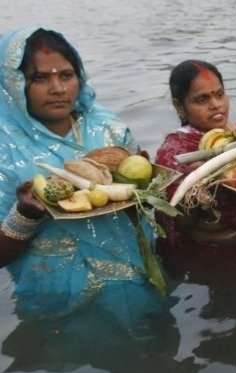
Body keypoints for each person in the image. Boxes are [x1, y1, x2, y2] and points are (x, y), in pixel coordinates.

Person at [0, 27, 169, 329]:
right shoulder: (5, 149)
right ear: (14, 85)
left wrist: (141, 191)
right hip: (55, 303)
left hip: (135, 284)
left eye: (66, 75)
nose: (58, 88)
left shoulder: (110, 132)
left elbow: (143, 217)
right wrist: (24, 215)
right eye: (40, 78)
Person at [154, 59, 236, 270]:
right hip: (206, 261)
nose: (216, 105)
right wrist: (198, 185)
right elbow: (183, 224)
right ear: (180, 106)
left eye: (219, 94)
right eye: (201, 99)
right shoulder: (175, 152)